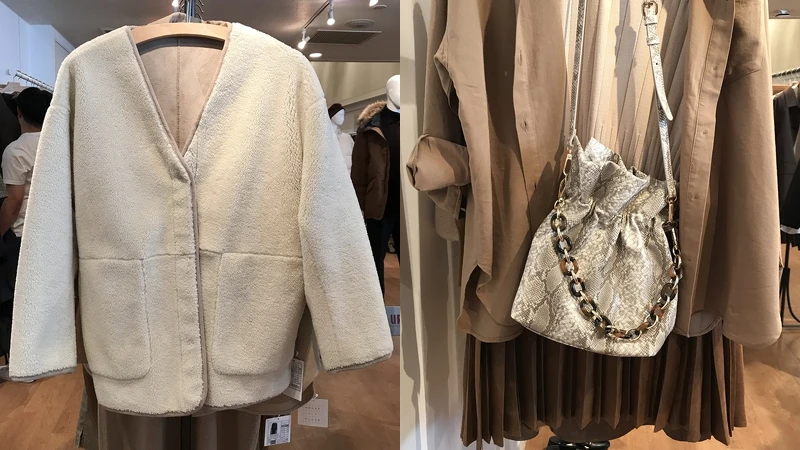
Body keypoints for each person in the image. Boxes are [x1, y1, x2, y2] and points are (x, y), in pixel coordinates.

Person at [0, 87, 51, 379]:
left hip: (24, 234)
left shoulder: (16, 151)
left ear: (19, 113)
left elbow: (15, 200)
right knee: (46, 296)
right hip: (54, 231)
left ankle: (26, 364)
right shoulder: (58, 144)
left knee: (21, 300)